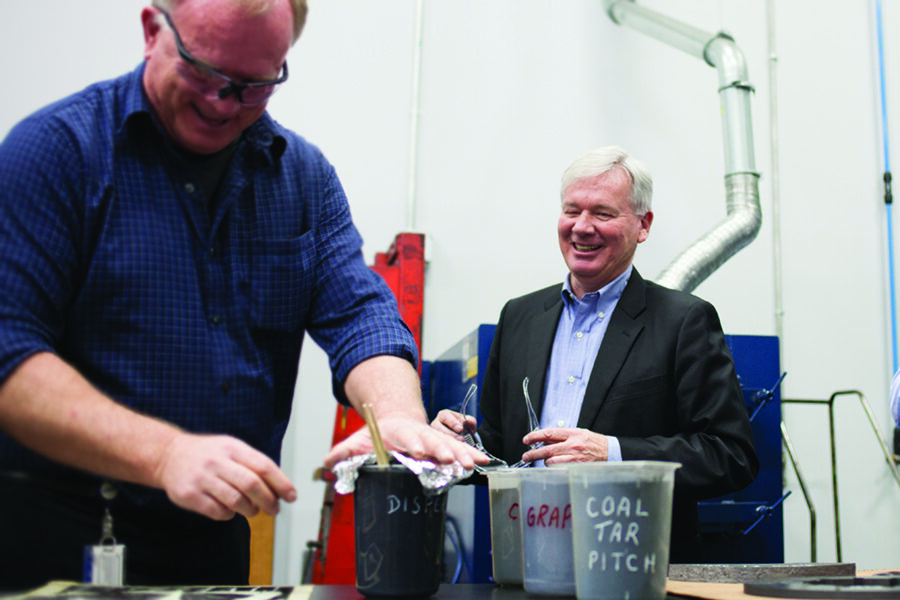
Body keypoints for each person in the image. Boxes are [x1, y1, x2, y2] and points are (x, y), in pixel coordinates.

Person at [0, 0, 483, 590]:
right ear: (153, 31)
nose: (222, 103)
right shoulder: (58, 152)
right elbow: (10, 355)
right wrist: (163, 455)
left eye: (254, 86)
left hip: (211, 541)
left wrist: (400, 421)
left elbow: (361, 316)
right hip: (56, 534)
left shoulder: (302, 178)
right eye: (204, 73)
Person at [433, 145, 759, 563]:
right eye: (572, 211)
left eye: (603, 213)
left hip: (635, 573)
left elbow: (730, 456)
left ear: (643, 225)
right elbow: (505, 452)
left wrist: (612, 453)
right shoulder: (519, 317)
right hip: (529, 569)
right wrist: (461, 446)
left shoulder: (684, 321)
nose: (582, 227)